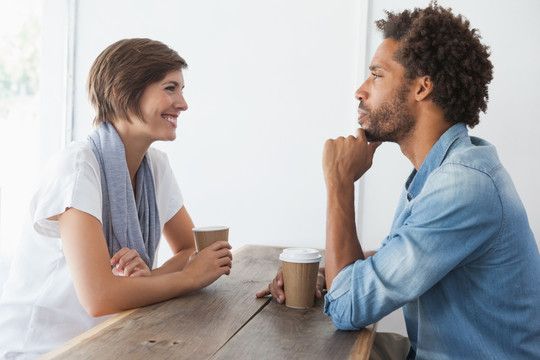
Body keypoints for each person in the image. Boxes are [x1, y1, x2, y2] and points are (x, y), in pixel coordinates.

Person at [257, 3, 540, 359]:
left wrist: (340, 182)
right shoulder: (442, 172)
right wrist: (330, 273)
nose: (360, 91)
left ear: (422, 88)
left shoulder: (463, 186)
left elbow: (347, 307)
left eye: (376, 75)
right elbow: (402, 255)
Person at [0, 38, 233, 358]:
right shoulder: (78, 168)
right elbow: (99, 297)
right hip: (44, 348)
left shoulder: (157, 167)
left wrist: (147, 279)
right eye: (169, 88)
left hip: (110, 338)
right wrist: (189, 277)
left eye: (182, 89)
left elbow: (190, 248)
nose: (182, 103)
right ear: (119, 93)